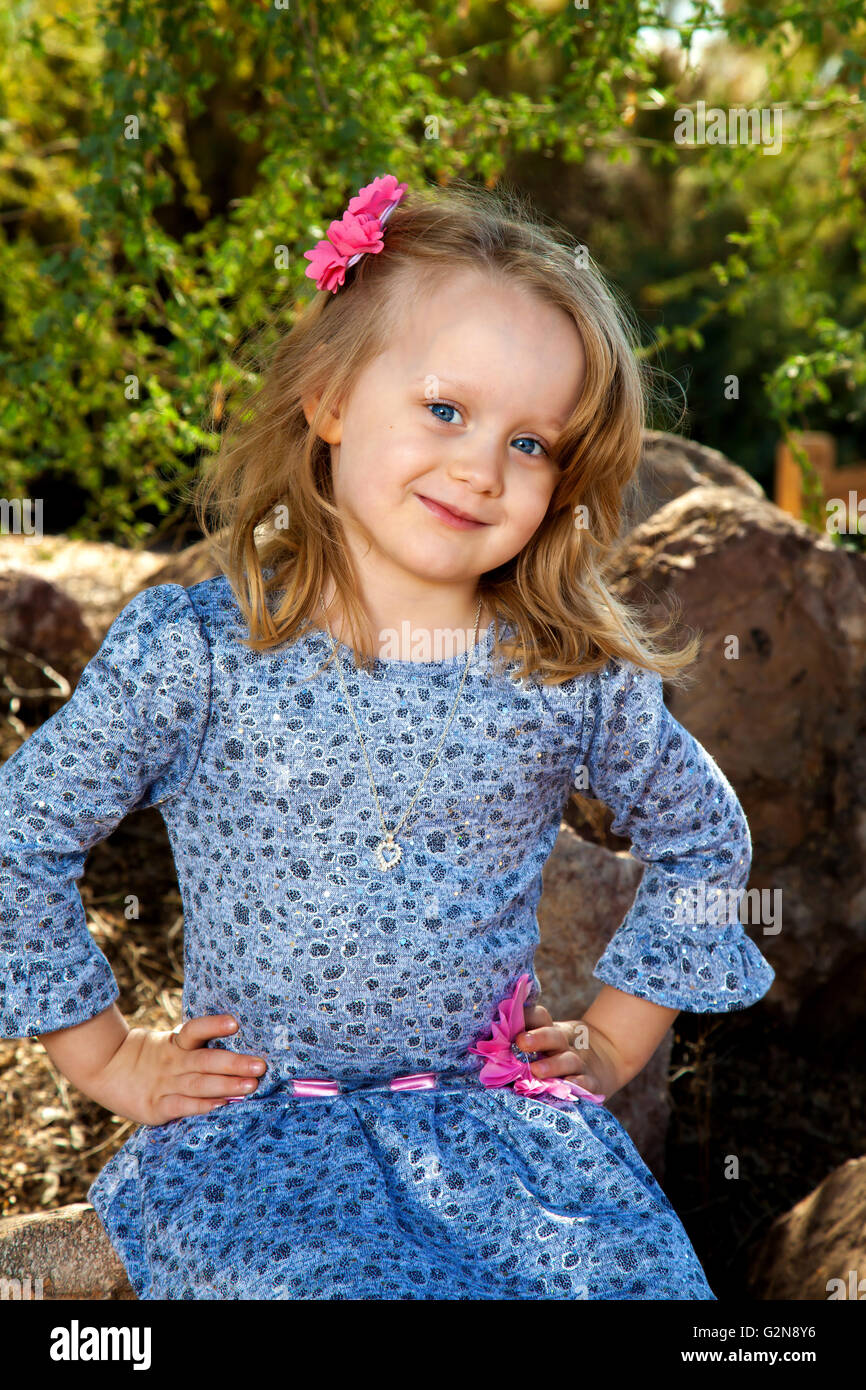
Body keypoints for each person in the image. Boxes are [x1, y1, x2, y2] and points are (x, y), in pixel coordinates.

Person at [0, 174, 775, 1300]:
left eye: (530, 442)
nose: (478, 466)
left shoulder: (562, 668)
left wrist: (612, 1039)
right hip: (264, 1133)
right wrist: (110, 1058)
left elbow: (703, 844)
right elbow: (20, 831)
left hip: (500, 1141)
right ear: (327, 400)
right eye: (444, 410)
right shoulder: (203, 647)